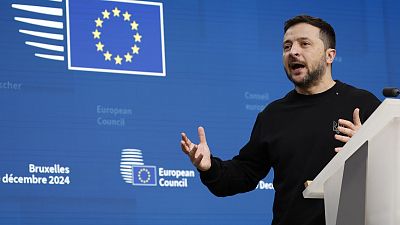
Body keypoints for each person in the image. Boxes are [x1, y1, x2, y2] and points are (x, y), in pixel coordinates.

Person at [180, 15, 381, 225]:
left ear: (329, 56)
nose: (293, 51)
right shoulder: (273, 115)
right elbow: (244, 173)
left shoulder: (361, 104)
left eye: (304, 44)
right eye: (287, 46)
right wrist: (209, 166)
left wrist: (372, 145)